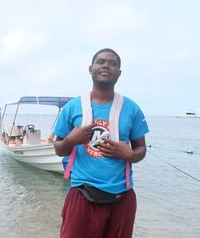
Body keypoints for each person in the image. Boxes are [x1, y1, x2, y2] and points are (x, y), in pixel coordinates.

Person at [53, 48, 149, 238]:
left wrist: (130, 155)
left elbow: (141, 148)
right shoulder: (73, 107)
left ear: (119, 74)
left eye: (113, 63)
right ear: (90, 69)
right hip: (82, 193)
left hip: (122, 196)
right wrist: (71, 140)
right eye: (101, 61)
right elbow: (59, 149)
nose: (106, 65)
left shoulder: (132, 109)